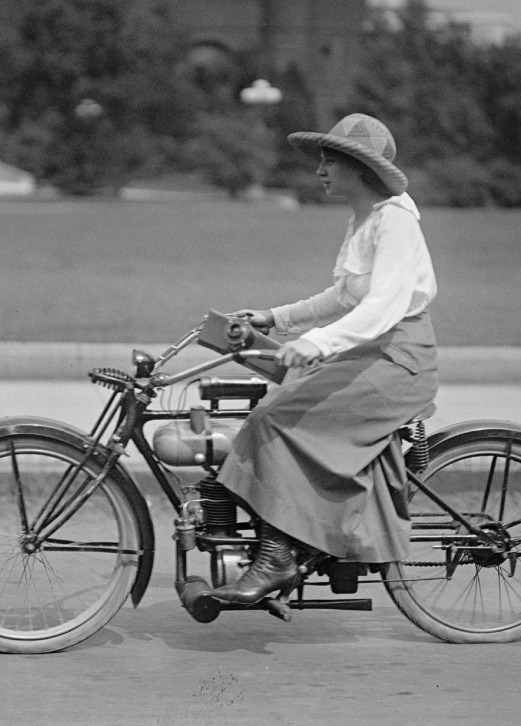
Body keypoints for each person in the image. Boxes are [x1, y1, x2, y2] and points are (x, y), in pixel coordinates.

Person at [209, 114, 439, 605]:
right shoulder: (366, 219)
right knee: (274, 398)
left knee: (276, 419)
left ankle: (278, 556)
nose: (320, 170)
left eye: (329, 160)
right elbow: (344, 297)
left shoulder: (394, 222)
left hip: (397, 360)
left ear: (358, 167)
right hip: (370, 350)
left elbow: (383, 306)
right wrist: (274, 318)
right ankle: (278, 534)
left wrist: (316, 344)